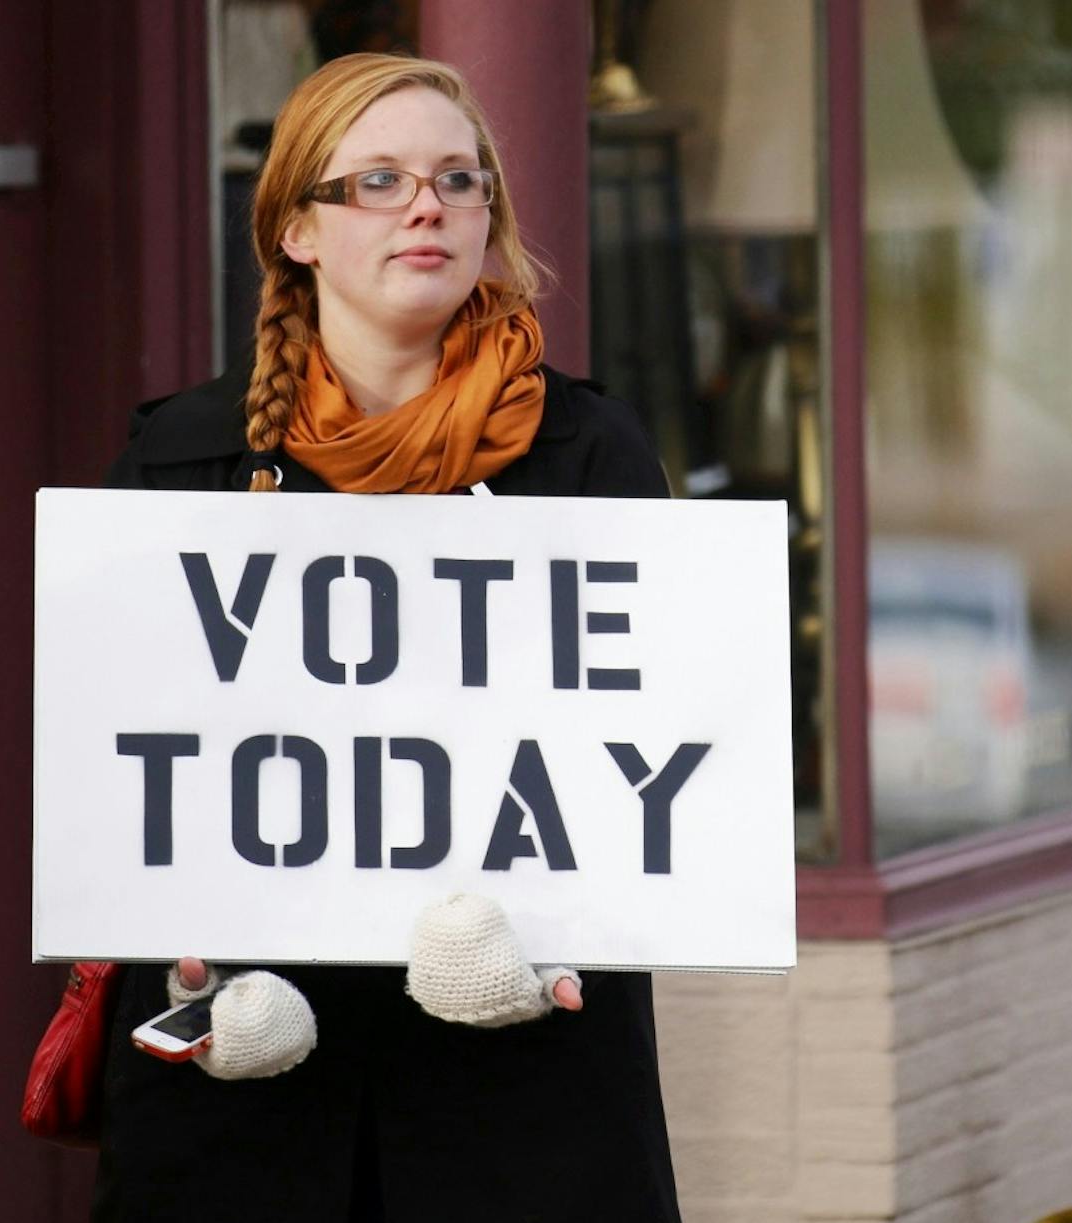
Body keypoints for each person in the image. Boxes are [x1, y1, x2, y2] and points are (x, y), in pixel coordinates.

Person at [93, 52, 680, 1223]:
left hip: (521, 1108)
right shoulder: (181, 465)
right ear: (297, 232)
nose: (427, 205)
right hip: (253, 1112)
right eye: (378, 181)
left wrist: (571, 941)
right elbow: (127, 790)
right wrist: (198, 984)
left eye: (458, 180)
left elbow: (640, 768)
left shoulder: (590, 459)